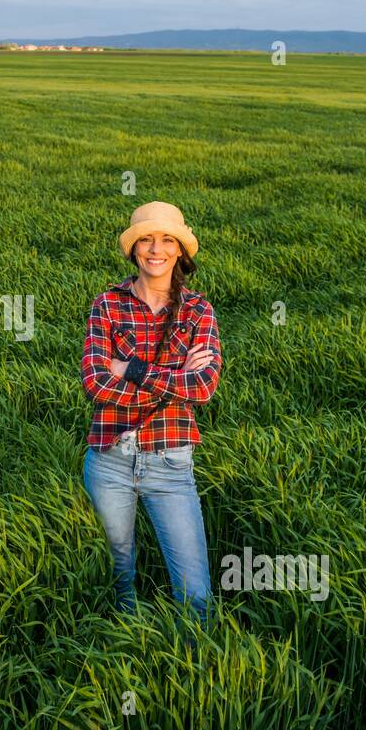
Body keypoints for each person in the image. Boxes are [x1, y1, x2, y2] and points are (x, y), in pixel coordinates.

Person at [80, 200, 223, 631]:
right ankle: (127, 653)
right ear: (133, 249)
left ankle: (195, 673)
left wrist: (134, 370)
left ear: (180, 251)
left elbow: (204, 388)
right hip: (109, 460)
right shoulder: (108, 304)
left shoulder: (198, 311)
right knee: (118, 581)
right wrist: (174, 379)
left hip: (170, 464)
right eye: (146, 239)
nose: (155, 249)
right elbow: (95, 382)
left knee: (195, 594)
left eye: (166, 240)